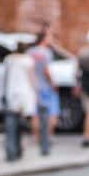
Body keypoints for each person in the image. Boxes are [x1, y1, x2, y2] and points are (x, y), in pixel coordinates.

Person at [2, 42, 36, 162]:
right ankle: (18, 148)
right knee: (21, 124)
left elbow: (5, 77)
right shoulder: (28, 60)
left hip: (11, 93)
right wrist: (35, 93)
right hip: (24, 94)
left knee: (11, 123)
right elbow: (31, 78)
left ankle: (10, 150)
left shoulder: (8, 60)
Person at [28, 28, 59, 156]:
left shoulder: (30, 52)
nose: (51, 39)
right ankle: (47, 137)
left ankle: (36, 137)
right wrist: (52, 84)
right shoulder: (46, 53)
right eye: (50, 37)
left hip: (34, 87)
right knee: (52, 113)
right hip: (45, 86)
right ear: (44, 38)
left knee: (35, 114)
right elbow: (46, 71)